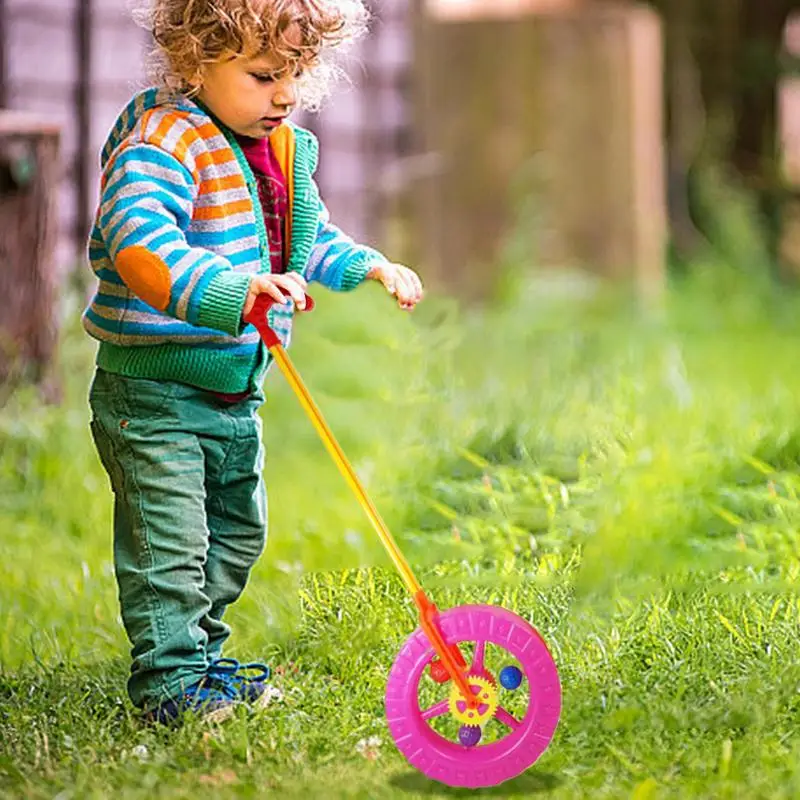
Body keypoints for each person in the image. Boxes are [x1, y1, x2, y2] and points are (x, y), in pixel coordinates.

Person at [83, 0, 424, 724]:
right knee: (172, 544)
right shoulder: (162, 139)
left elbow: (305, 240)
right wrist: (236, 293)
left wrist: (369, 265)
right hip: (154, 391)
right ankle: (171, 684)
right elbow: (139, 245)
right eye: (266, 75)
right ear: (192, 60)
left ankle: (202, 661)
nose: (288, 94)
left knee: (236, 535)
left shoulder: (284, 150)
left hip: (235, 395)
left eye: (298, 72)